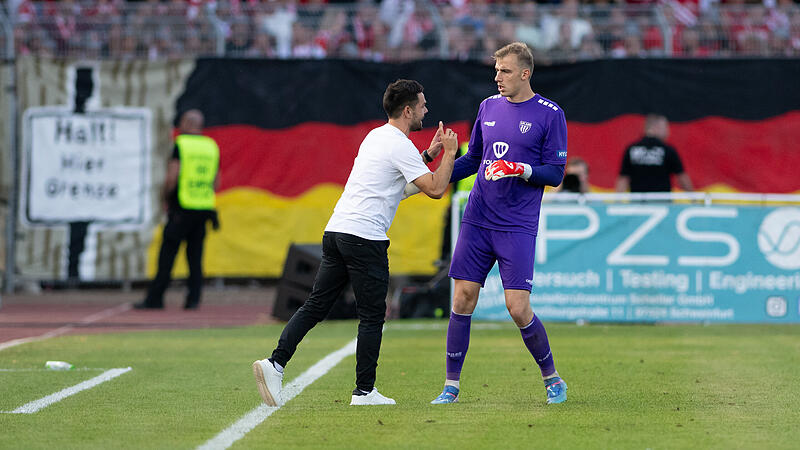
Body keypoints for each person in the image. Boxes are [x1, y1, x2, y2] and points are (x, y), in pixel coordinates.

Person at [252, 79, 459, 407]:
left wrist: (430, 155)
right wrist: (449, 154)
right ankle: (364, 391)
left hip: (337, 231)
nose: (426, 110)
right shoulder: (399, 145)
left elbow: (398, 188)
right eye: (422, 104)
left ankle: (275, 364)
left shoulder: (376, 137)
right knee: (373, 315)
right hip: (365, 238)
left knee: (315, 305)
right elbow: (435, 189)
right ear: (407, 110)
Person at [429, 42, 569, 405]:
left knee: (517, 307)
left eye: (504, 71)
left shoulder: (550, 114)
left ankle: (552, 378)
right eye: (496, 71)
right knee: (462, 298)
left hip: (517, 224)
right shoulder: (487, 107)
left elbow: (554, 173)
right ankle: (451, 386)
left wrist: (520, 170)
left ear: (525, 73)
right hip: (477, 218)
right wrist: (435, 173)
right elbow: (474, 158)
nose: (497, 77)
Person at [134, 109, 220, 310]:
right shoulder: (211, 147)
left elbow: (172, 177)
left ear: (188, 123)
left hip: (181, 208)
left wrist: (166, 198)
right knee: (195, 257)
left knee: (167, 256)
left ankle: (155, 299)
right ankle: (193, 299)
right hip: (203, 208)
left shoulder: (181, 145)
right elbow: (216, 180)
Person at [615, 114, 693, 193]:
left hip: (638, 203)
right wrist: (694, 199)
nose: (668, 132)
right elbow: (682, 177)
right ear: (656, 127)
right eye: (665, 128)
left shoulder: (632, 149)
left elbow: (623, 179)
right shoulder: (667, 150)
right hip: (662, 202)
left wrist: (617, 202)